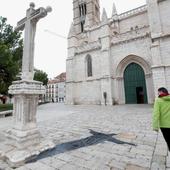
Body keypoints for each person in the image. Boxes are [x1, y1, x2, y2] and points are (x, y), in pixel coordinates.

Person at [153, 87, 170, 151]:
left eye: (158, 92)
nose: (158, 93)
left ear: (161, 92)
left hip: (164, 125)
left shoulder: (158, 100)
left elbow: (156, 113)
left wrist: (155, 126)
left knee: (168, 139)